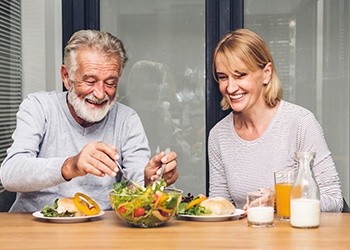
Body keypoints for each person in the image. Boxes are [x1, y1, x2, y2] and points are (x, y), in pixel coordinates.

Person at [0, 30, 178, 212]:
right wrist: (71, 165)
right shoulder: (39, 107)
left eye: (110, 83)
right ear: (66, 77)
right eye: (90, 81)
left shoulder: (126, 119)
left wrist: (150, 181)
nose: (100, 93)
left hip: (99, 230)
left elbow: (137, 185)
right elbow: (10, 174)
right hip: (32, 228)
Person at [208, 28, 343, 212]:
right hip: (242, 239)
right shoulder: (218, 135)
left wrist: (279, 200)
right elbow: (221, 208)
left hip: (295, 239)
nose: (230, 87)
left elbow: (335, 201)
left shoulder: (300, 123)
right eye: (223, 77)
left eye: (240, 75)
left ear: (266, 73)